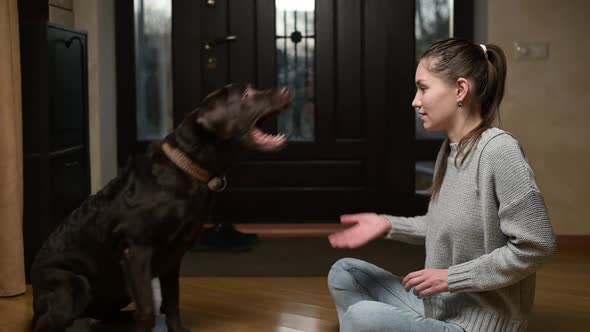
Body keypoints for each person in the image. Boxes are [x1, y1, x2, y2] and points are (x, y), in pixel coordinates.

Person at [327, 38, 556, 332]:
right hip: (439, 311)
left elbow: (538, 246)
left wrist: (450, 278)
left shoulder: (500, 151)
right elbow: (447, 224)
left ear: (460, 90)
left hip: (479, 325)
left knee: (363, 317)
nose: (415, 100)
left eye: (423, 88)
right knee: (345, 272)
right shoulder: (450, 150)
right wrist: (387, 224)